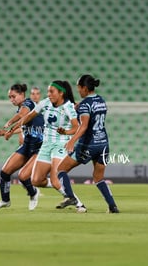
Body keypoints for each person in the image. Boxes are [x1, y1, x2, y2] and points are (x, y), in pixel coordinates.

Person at [15, 80, 87, 212]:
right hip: (46, 145)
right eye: (48, 91)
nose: (48, 94)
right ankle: (65, 192)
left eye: (51, 91)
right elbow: (30, 116)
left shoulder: (68, 107)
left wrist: (66, 132)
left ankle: (78, 204)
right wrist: (16, 125)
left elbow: (77, 127)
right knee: (36, 180)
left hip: (61, 143)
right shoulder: (45, 103)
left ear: (61, 93)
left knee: (55, 179)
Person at [56, 74, 119, 213]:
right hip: (103, 144)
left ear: (85, 88)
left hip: (89, 144)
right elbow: (93, 116)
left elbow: (83, 126)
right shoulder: (101, 100)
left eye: (79, 87)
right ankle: (112, 206)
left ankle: (70, 197)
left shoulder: (85, 105)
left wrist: (72, 140)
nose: (78, 90)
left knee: (61, 169)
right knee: (98, 178)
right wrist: (67, 132)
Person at [0, 83, 44, 211]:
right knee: (5, 172)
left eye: (13, 96)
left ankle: (34, 193)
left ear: (22, 94)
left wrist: (9, 123)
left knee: (23, 176)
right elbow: (24, 125)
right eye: (9, 97)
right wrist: (9, 132)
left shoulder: (29, 104)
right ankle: (5, 200)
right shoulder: (21, 107)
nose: (11, 100)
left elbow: (21, 116)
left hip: (40, 147)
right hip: (27, 145)